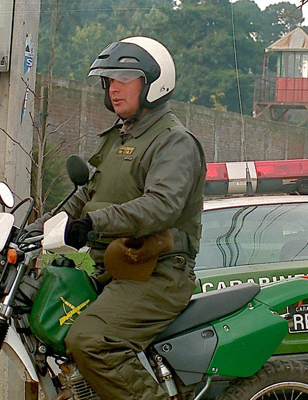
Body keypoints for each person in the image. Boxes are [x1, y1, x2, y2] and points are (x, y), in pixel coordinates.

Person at [30, 37, 206, 399]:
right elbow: (83, 196)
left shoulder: (173, 141)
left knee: (90, 340)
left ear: (153, 83)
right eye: (109, 80)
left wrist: (93, 224)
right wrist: (32, 230)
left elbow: (161, 205)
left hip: (158, 274)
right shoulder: (116, 137)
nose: (113, 88)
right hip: (114, 270)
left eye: (124, 77)